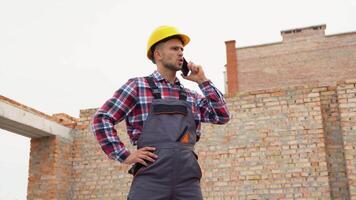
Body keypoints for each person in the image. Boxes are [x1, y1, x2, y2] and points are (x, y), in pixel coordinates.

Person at [91, 25, 230, 200]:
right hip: (150, 182)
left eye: (182, 49)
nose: (181, 53)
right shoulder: (138, 87)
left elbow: (222, 115)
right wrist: (124, 155)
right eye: (174, 48)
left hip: (188, 182)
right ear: (158, 54)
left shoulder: (191, 96)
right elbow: (102, 119)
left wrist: (202, 81)